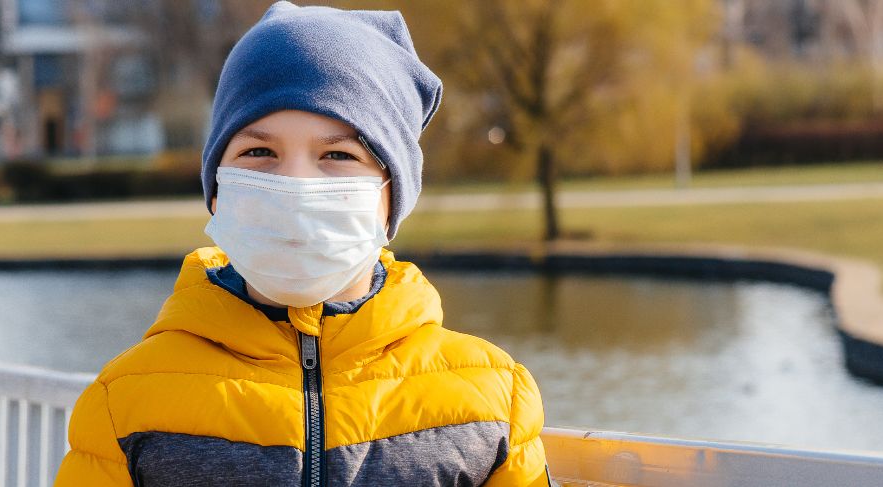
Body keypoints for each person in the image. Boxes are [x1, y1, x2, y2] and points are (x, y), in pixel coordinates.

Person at [55, 2, 553, 486]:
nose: (295, 184)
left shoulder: (491, 400)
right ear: (217, 191)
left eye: (338, 154)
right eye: (259, 151)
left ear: (392, 196)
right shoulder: (126, 403)